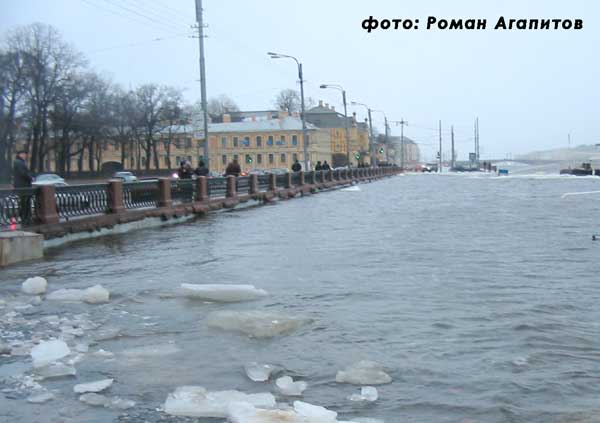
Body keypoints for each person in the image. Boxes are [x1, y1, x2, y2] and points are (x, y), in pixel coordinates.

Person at [13, 150, 33, 224]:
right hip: (22, 186)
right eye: (24, 154)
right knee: (24, 203)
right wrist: (31, 178)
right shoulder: (18, 162)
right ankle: (25, 219)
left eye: (25, 154)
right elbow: (23, 173)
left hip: (23, 186)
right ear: (20, 155)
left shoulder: (20, 162)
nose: (25, 156)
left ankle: (26, 218)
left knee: (25, 203)